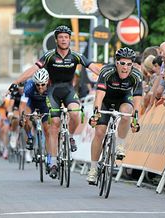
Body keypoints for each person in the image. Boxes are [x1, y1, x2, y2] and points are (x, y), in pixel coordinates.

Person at [9, 25, 100, 178]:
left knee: (76, 113)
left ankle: (70, 137)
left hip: (69, 91)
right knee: (54, 126)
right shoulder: (49, 55)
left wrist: (107, 76)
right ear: (56, 40)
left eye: (66, 37)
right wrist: (16, 82)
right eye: (61, 37)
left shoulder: (76, 56)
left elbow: (94, 68)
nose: (64, 39)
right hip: (52, 92)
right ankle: (53, 162)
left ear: (69, 39)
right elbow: (32, 70)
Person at [87, 47, 143, 185]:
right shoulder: (107, 71)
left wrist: (135, 118)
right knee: (99, 133)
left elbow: (137, 99)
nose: (125, 68)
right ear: (116, 63)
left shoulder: (136, 75)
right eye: (122, 64)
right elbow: (99, 94)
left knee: (126, 114)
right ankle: (93, 169)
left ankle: (120, 146)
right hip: (106, 100)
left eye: (129, 64)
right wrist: (96, 113)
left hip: (123, 99)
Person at [22, 69, 54, 175]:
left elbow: (56, 103)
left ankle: (49, 160)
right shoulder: (29, 87)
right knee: (26, 120)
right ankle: (30, 137)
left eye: (43, 84)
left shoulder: (51, 86)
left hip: (45, 106)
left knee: (48, 131)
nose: (40, 87)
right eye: (38, 85)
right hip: (32, 104)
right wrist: (24, 116)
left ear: (47, 82)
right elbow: (24, 104)